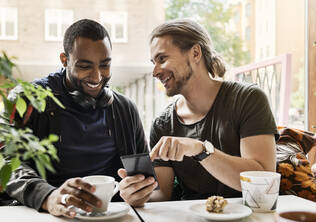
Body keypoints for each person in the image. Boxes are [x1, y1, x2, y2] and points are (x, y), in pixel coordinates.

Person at [0, 19, 148, 218]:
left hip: (102, 217)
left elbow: (143, 177)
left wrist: (139, 191)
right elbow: (4, 161)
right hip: (32, 212)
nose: (97, 77)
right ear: (64, 60)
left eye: (105, 65)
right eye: (85, 66)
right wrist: (48, 197)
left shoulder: (125, 109)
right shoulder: (25, 99)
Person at [118, 19, 278, 207]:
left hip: (250, 221)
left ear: (195, 53)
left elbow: (264, 179)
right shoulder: (163, 125)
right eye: (153, 62)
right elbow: (162, 194)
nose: (155, 71)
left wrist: (200, 150)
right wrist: (138, 194)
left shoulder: (247, 99)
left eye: (162, 59)